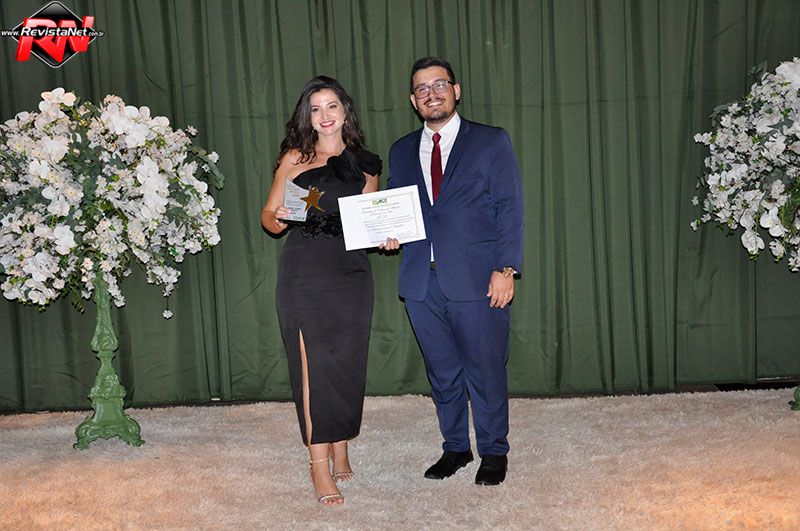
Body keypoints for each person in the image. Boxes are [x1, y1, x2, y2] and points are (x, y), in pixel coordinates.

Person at [381, 57, 524, 485]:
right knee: (442, 372)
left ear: (456, 91)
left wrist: (506, 268)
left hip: (478, 279)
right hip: (420, 281)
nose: (432, 94)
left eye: (439, 84)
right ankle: (456, 447)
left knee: (485, 369)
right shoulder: (401, 150)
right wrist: (387, 234)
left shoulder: (491, 141)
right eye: (422, 89)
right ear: (413, 100)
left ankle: (494, 451)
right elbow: (396, 208)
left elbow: (509, 207)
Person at [261, 76, 382, 505]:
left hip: (352, 271)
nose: (325, 115)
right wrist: (278, 217)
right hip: (304, 270)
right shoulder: (295, 157)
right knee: (312, 364)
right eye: (316, 108)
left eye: (332, 106)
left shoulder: (366, 163)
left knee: (346, 360)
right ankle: (318, 464)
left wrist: (386, 235)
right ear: (307, 117)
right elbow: (269, 215)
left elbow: (370, 220)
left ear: (345, 111)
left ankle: (341, 444)